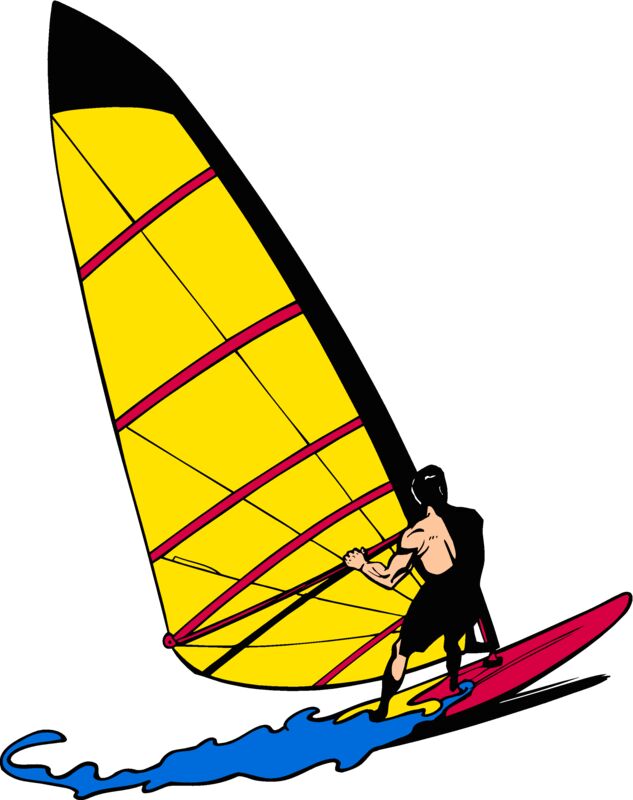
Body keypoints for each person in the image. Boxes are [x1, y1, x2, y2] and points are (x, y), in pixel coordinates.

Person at [344, 464, 501, 721]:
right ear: (443, 489)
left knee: (400, 650)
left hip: (439, 597)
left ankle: (382, 710)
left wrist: (361, 564)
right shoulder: (472, 518)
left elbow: (390, 578)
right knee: (453, 639)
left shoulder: (417, 534)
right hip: (471, 597)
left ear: (418, 497)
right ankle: (454, 684)